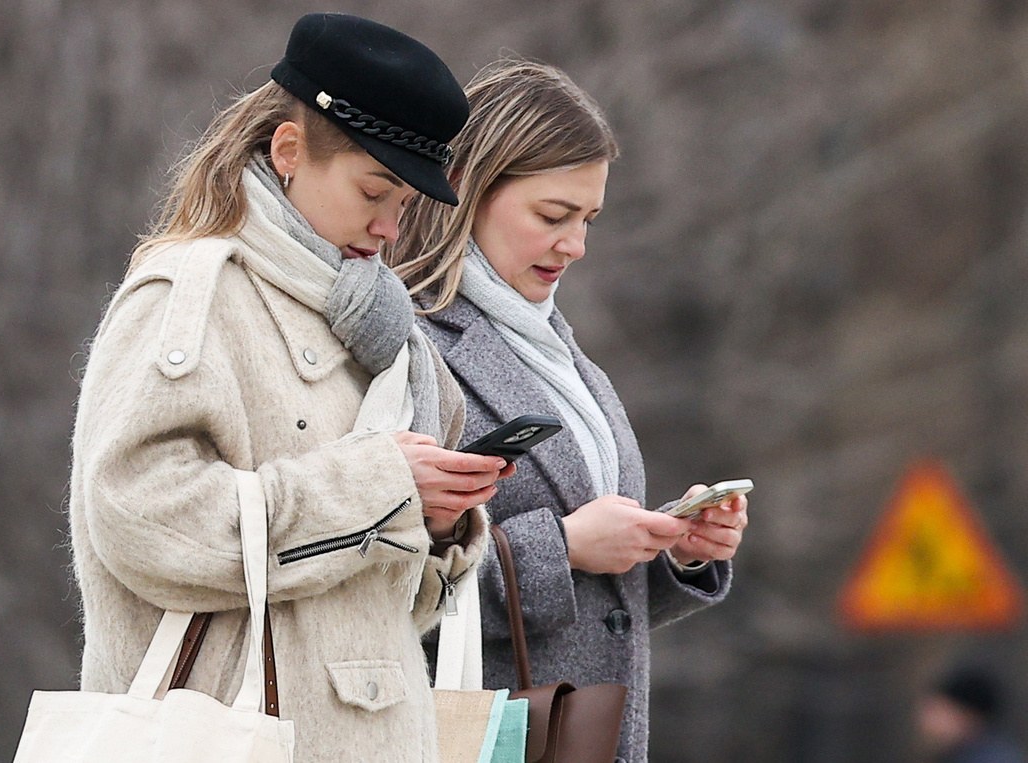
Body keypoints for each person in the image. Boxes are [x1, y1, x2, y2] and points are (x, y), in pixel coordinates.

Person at [67, 14, 511, 762]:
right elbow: (138, 518)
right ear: (289, 152)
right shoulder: (190, 295)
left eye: (405, 205)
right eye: (374, 192)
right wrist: (380, 486)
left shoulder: (394, 340)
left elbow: (390, 607)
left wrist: (437, 521)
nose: (389, 228)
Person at [389, 59, 748, 763]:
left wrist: (672, 547)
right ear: (468, 189)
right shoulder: (405, 342)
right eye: (553, 216)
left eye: (588, 219)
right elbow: (374, 578)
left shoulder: (553, 348)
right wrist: (564, 547)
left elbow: (599, 610)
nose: (575, 245)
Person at [918, 664, 1026, 763]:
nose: (927, 721)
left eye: (937, 712)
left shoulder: (994, 758)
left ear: (967, 716)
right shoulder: (959, 753)